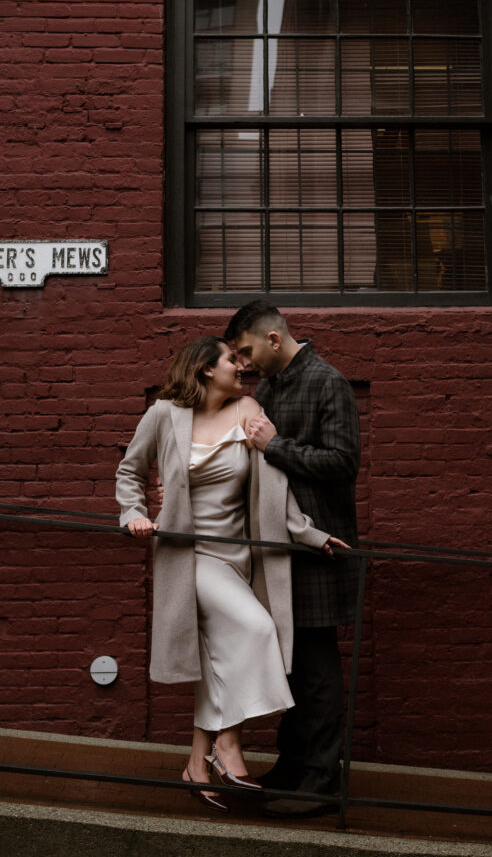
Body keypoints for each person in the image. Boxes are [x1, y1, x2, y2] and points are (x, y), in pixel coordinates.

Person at [116, 335, 346, 813]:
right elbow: (130, 470)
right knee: (258, 628)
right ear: (204, 369)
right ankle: (227, 744)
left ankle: (197, 764)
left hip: (237, 559)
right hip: (188, 557)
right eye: (231, 360)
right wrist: (133, 514)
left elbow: (274, 489)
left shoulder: (248, 411)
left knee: (220, 660)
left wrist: (309, 534)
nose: (241, 368)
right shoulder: (164, 414)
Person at [224, 301, 361, 818]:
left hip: (319, 550)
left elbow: (343, 463)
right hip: (276, 550)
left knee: (319, 671)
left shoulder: (328, 383)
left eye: (246, 350)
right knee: (294, 668)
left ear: (274, 339)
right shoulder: (270, 388)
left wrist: (276, 446)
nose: (242, 362)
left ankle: (322, 782)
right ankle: (292, 767)